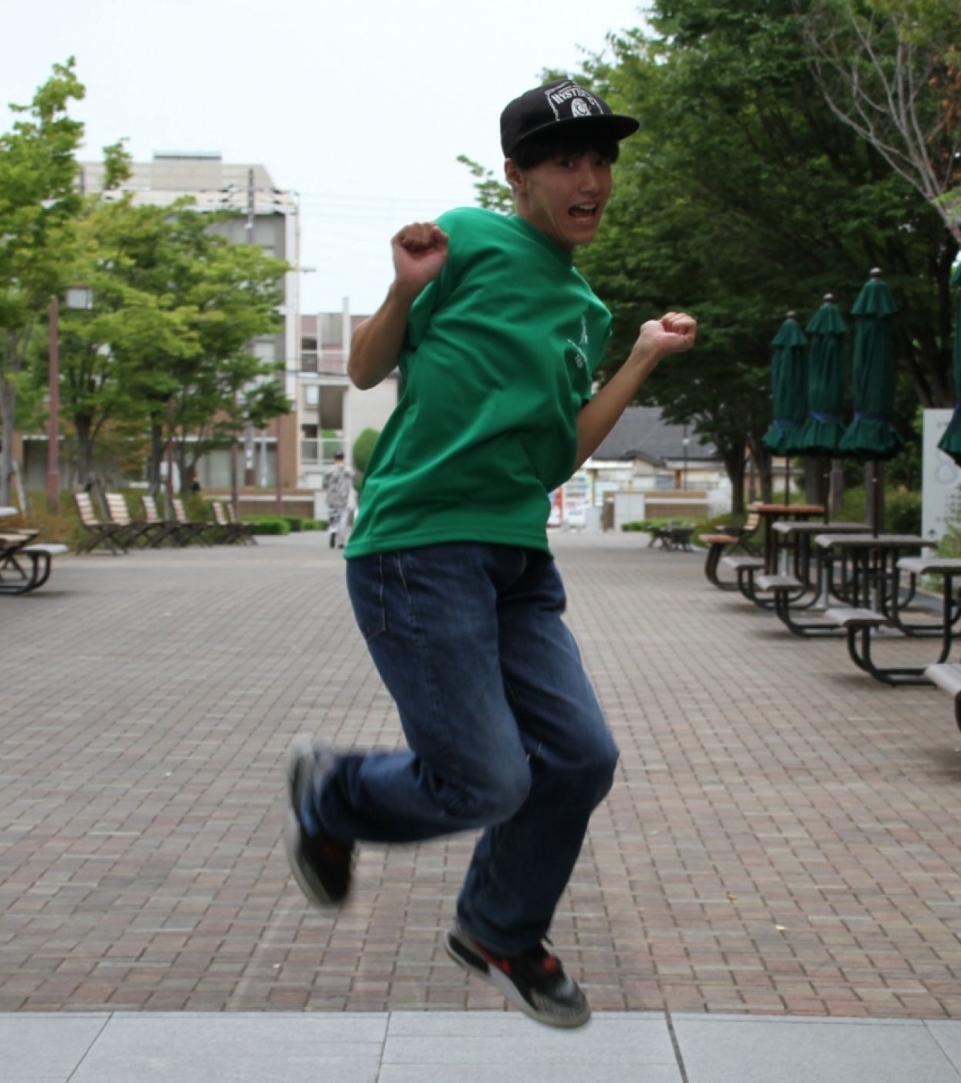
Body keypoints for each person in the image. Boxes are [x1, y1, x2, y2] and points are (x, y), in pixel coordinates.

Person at [284, 78, 696, 1029]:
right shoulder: (466, 237)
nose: (589, 179)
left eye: (600, 160)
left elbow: (557, 452)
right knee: (487, 778)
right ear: (517, 175)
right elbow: (364, 367)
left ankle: (501, 926)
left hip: (515, 560)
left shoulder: (582, 307)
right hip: (419, 549)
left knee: (581, 758)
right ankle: (335, 791)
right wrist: (402, 289)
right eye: (566, 161)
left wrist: (636, 356)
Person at [322, 451, 354, 549]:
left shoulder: (329, 470)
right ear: (343, 458)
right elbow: (352, 481)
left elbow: (324, 484)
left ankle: (333, 531)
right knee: (343, 520)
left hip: (332, 498)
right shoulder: (348, 470)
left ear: (335, 458)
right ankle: (341, 542)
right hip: (344, 498)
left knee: (333, 518)